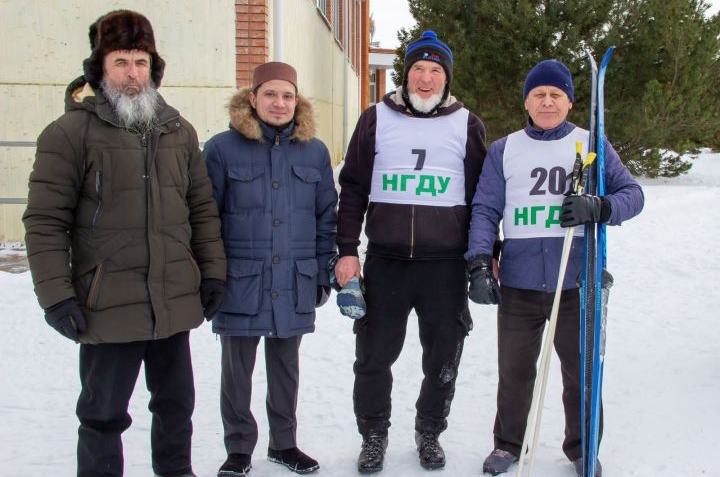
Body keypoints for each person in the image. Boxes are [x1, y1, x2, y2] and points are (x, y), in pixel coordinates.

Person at [22, 9, 227, 477]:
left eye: (140, 61)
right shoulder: (69, 134)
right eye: (120, 62)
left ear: (153, 68)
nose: (132, 74)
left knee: (176, 406)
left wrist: (212, 272)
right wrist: (56, 296)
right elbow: (44, 222)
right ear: (100, 69)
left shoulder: (179, 131)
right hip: (106, 302)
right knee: (102, 415)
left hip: (172, 300)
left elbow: (201, 211)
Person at [465, 60, 644, 476]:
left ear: (569, 101)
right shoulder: (505, 149)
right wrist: (478, 262)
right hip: (519, 282)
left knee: (580, 372)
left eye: (556, 95)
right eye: (539, 95)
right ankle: (508, 444)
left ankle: (582, 447)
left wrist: (600, 207)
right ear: (526, 101)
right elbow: (486, 209)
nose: (547, 102)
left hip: (576, 280)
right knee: (514, 371)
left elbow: (633, 194)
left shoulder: (591, 142)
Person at [334, 30, 487, 473]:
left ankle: (428, 431)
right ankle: (374, 433)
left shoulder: (467, 123)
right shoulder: (375, 118)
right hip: (386, 262)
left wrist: (484, 252)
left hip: (445, 266)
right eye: (418, 69)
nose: (425, 79)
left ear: (446, 78)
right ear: (406, 74)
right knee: (373, 356)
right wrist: (347, 249)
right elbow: (354, 188)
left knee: (442, 358)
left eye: (435, 71)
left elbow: (482, 198)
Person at [203, 61, 338, 476]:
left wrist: (320, 271)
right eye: (271, 94)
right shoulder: (221, 149)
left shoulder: (313, 150)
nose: (279, 103)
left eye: (287, 95)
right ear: (252, 98)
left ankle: (284, 443)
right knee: (237, 370)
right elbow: (205, 217)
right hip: (240, 279)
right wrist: (211, 274)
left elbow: (325, 216)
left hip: (293, 277)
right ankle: (239, 448)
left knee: (286, 368)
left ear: (297, 102)